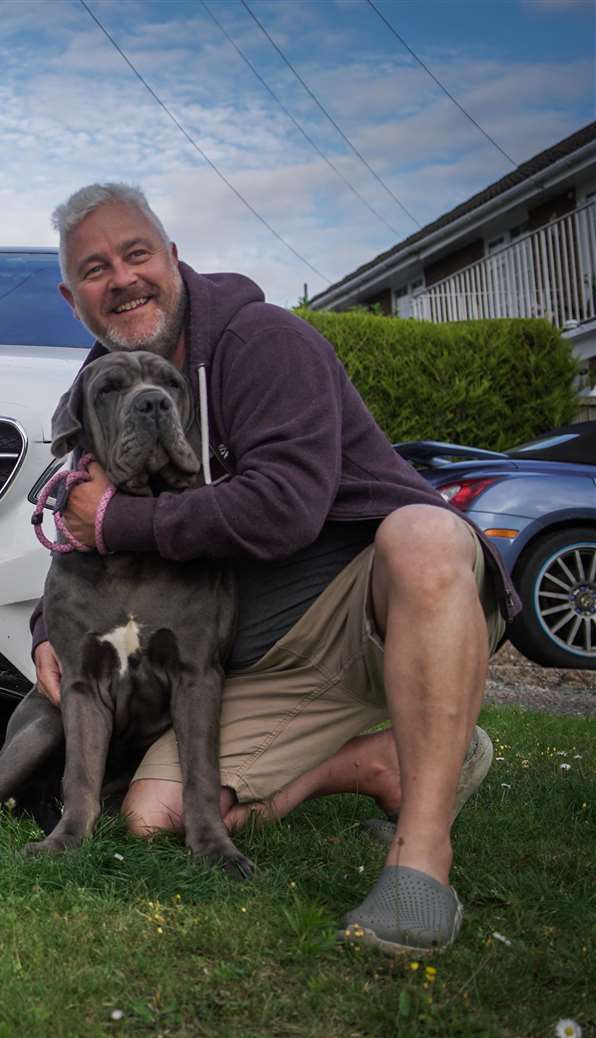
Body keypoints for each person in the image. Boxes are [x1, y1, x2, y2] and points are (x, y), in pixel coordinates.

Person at [32, 181, 516, 954]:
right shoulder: (106, 383)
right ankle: (388, 763)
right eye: (95, 269)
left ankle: (422, 860)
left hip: (377, 608)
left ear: (173, 259)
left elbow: (284, 506)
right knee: (154, 819)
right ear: (72, 297)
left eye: (136, 254)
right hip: (252, 656)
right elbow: (86, 532)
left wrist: (125, 517)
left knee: (426, 534)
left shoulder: (263, 341)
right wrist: (45, 629)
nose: (121, 278)